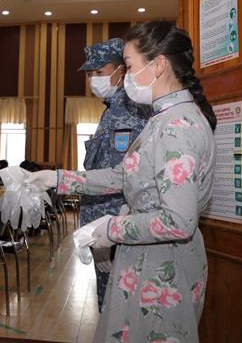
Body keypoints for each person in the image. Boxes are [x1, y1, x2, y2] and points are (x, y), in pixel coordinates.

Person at [28, 21, 217, 343]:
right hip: (146, 257)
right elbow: (123, 174)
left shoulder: (177, 127)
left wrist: (111, 229)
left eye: (129, 66)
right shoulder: (162, 118)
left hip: (162, 266)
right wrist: (57, 179)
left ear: (159, 65)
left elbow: (178, 221)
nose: (127, 76)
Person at [78, 37, 150, 311]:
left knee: (120, 311)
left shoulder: (131, 111)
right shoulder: (110, 111)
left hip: (116, 229)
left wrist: (112, 233)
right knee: (109, 308)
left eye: (99, 71)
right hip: (104, 230)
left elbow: (126, 177)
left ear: (121, 70)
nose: (93, 79)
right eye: (90, 73)